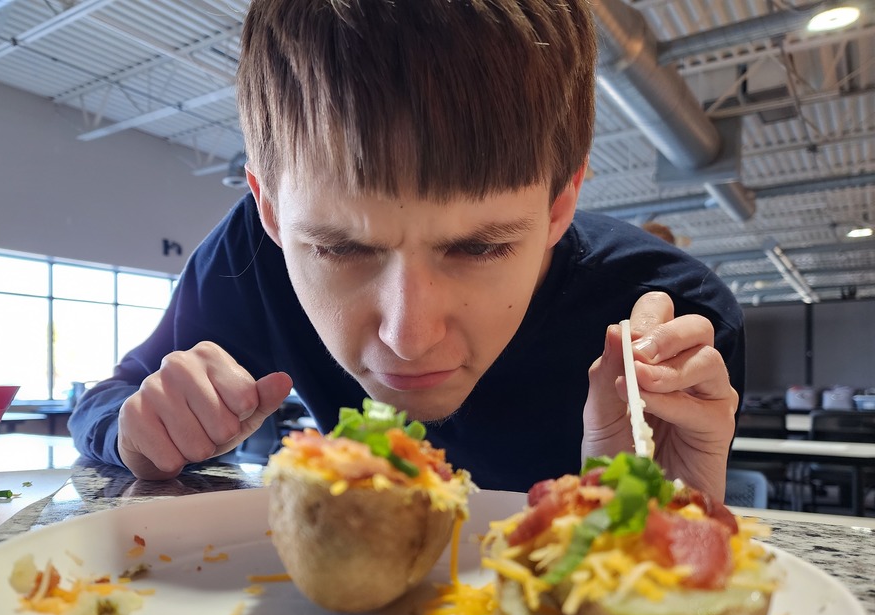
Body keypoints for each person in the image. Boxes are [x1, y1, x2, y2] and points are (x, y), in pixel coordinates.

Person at [69, 0, 744, 502]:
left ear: (559, 205)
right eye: (339, 250)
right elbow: (110, 399)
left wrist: (663, 516)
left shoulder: (676, 320)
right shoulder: (250, 251)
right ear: (272, 211)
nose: (410, 338)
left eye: (480, 248)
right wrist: (143, 431)